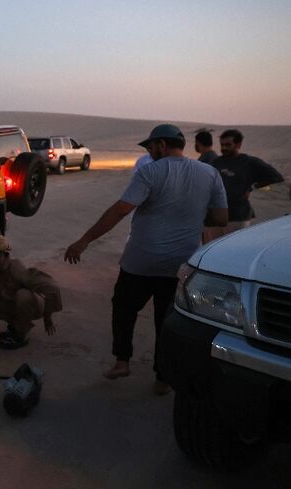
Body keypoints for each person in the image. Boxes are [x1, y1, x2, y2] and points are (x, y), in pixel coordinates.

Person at [64, 124, 227, 395]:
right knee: (165, 322)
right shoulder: (210, 173)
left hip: (141, 262)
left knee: (124, 309)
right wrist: (192, 218)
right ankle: (162, 378)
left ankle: (122, 362)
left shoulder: (150, 171)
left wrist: (84, 241)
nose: (149, 152)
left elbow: (120, 210)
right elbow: (221, 218)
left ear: (162, 145)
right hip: (181, 265)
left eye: (150, 147)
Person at [202, 129, 285, 242]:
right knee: (210, 251)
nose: (224, 148)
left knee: (235, 249)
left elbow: (276, 177)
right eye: (222, 145)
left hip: (238, 216)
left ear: (238, 144)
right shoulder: (216, 162)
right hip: (215, 217)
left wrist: (252, 187)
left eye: (228, 145)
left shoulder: (249, 162)